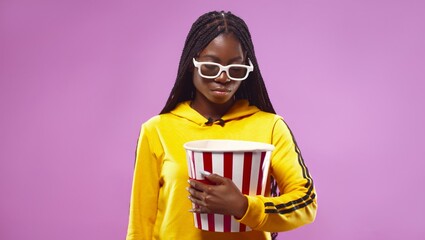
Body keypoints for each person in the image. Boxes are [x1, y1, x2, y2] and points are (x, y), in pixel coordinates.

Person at [126, 10, 317, 240]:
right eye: (210, 66)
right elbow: (141, 225)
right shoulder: (156, 130)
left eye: (235, 69)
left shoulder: (271, 127)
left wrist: (243, 206)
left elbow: (305, 204)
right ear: (191, 64)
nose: (224, 78)